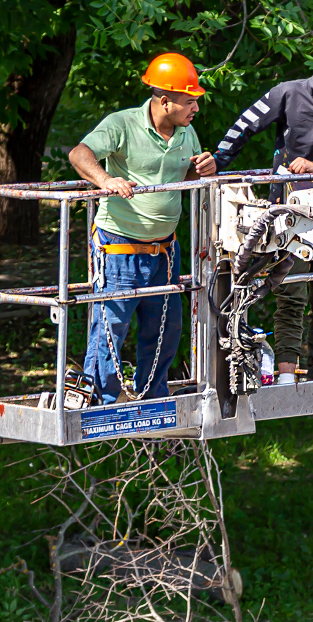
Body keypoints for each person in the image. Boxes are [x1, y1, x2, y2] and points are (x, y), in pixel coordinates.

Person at [212, 28, 313, 385]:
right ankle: (286, 375)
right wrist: (218, 162)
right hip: (289, 212)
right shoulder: (286, 94)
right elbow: (244, 125)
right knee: (290, 293)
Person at [68, 53, 218, 403]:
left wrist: (204, 168)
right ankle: (101, 400)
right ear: (165, 101)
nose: (196, 107)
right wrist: (105, 179)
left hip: (164, 249)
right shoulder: (122, 124)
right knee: (111, 325)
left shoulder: (187, 132)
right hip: (119, 245)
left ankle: (152, 395)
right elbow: (79, 154)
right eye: (189, 101)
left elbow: (187, 174)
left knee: (166, 326)